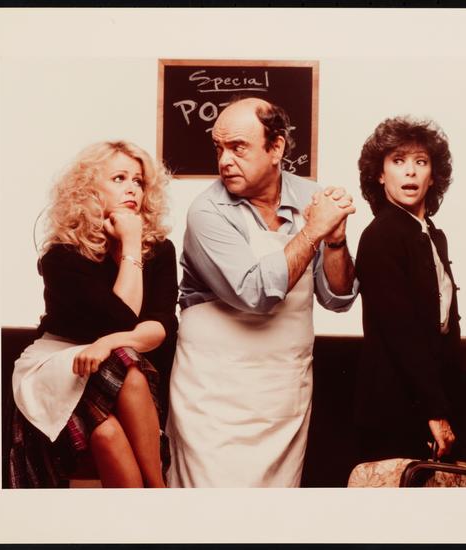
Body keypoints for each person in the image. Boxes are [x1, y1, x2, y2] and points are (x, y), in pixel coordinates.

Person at [166, 96, 359, 487]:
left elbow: (337, 298)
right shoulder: (207, 212)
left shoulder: (311, 197)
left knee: (273, 512)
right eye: (219, 148)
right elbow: (254, 293)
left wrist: (336, 240)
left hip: (283, 396)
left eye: (238, 147)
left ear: (276, 148)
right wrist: (314, 231)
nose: (224, 161)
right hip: (213, 397)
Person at [9, 141, 178, 488]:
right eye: (119, 178)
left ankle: (154, 500)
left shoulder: (160, 250)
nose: (132, 188)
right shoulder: (62, 255)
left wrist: (108, 343)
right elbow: (122, 319)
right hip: (59, 364)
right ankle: (161, 495)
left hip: (121, 364)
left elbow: (160, 327)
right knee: (126, 367)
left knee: (109, 427)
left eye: (138, 180)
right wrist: (131, 246)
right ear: (89, 190)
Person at [354, 116, 461, 464]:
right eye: (398, 161)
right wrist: (435, 410)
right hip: (394, 406)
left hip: (431, 400)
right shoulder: (381, 235)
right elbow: (401, 333)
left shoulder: (432, 234)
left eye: (421, 161)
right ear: (380, 173)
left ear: (433, 175)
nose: (410, 171)